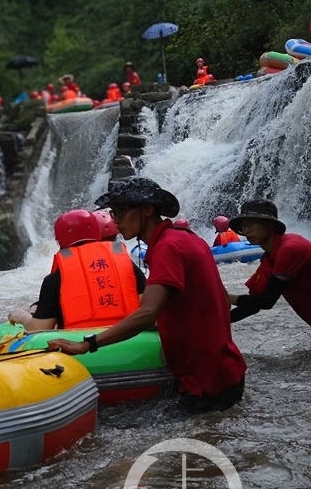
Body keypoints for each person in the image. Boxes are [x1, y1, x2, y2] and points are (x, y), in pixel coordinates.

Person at [46, 177, 247, 413]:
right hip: (223, 372)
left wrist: (87, 344)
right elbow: (218, 298)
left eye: (121, 212)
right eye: (113, 213)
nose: (115, 221)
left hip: (207, 383)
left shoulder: (167, 247)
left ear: (148, 210)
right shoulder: (186, 238)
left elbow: (147, 312)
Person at [8, 209, 145, 331]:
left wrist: (22, 317)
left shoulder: (54, 279)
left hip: (80, 346)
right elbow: (146, 304)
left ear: (59, 241)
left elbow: (39, 329)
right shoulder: (126, 264)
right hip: (131, 336)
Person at [227, 200, 311, 325]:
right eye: (243, 226)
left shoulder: (290, 248)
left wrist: (227, 298)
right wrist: (214, 322)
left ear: (270, 225)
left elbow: (267, 301)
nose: (246, 230)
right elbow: (254, 305)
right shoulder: (268, 258)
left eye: (252, 224)